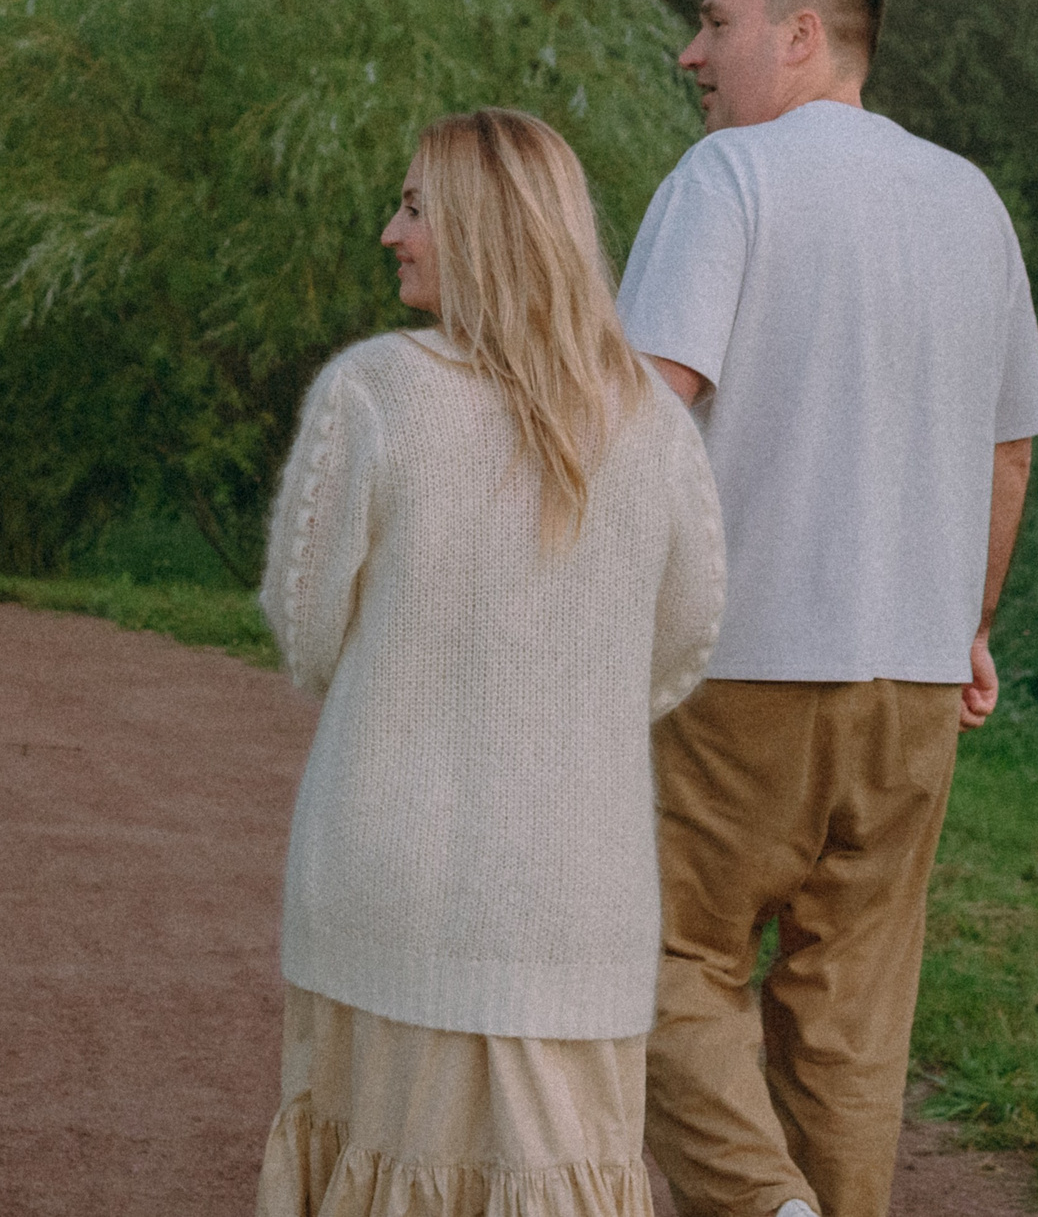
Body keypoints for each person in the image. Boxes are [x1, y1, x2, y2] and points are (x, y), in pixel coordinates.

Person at [615, 0, 1038, 1217]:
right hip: (915, 684)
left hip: (741, 664)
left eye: (715, 22)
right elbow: (1008, 451)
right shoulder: (969, 198)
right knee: (851, 1011)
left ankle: (763, 1205)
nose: (691, 51)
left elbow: (647, 414)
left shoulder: (727, 176)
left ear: (801, 34)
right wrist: (968, 624)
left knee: (650, 955)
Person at [255, 107, 727, 1217]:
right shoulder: (650, 418)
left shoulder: (373, 392)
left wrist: (413, 682)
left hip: (390, 881)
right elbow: (685, 635)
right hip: (579, 894)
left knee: (385, 1171)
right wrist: (575, 700)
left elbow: (308, 628)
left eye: (414, 205)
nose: (390, 231)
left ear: (479, 224)